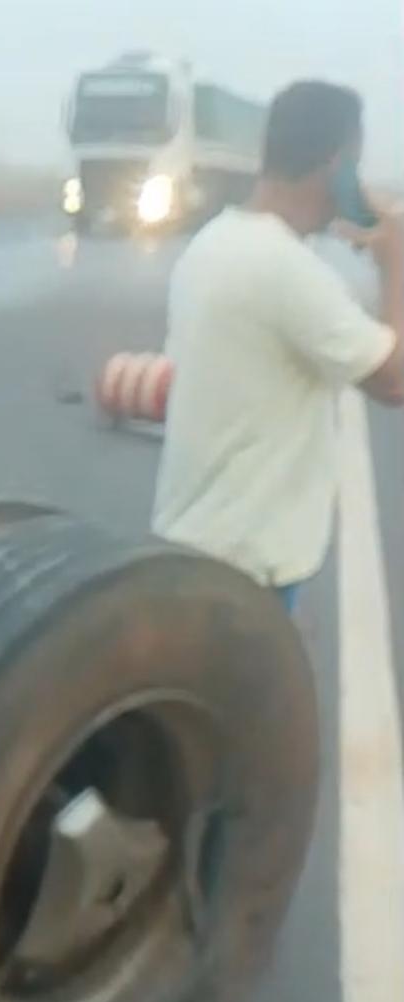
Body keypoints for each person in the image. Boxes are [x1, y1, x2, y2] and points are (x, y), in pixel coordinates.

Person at [152, 81, 404, 612]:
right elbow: (394, 381)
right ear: (337, 166)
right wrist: (395, 260)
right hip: (246, 570)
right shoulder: (283, 266)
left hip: (196, 546)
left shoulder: (213, 242)